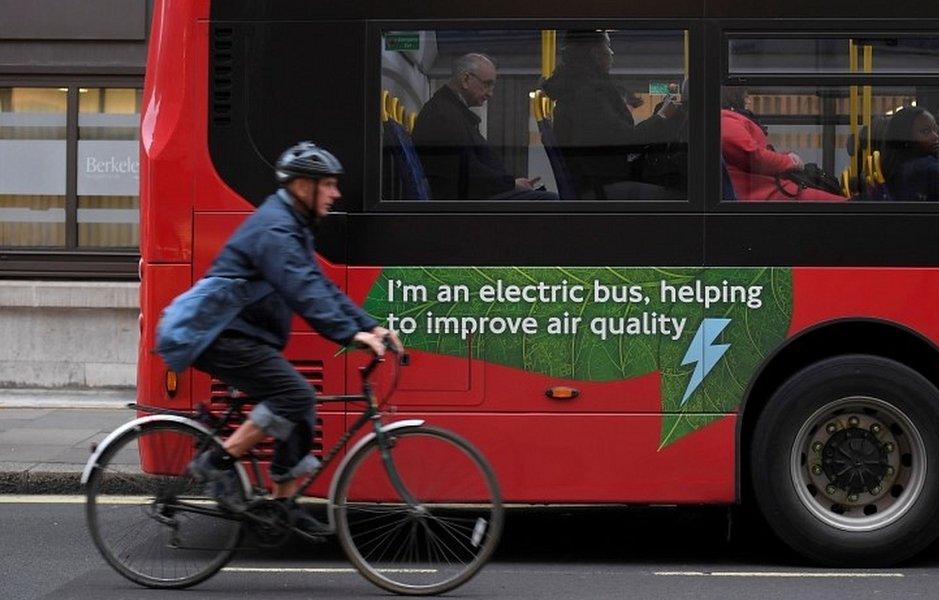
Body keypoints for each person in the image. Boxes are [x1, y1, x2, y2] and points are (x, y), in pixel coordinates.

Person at [187, 141, 402, 540]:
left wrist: (371, 327)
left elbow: (322, 286)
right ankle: (215, 463)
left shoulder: (292, 225)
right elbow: (303, 291)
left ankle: (284, 505)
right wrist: (348, 334)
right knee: (296, 395)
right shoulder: (276, 229)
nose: (336, 194)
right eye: (330, 185)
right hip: (220, 334)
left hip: (246, 334)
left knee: (301, 407)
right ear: (304, 186)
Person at [541, 31, 678, 200]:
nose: (611, 53)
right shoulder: (588, 95)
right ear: (595, 53)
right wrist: (662, 116)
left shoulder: (575, 92)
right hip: (602, 187)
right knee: (683, 198)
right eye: (608, 46)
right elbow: (628, 141)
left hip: (596, 182)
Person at [412, 53, 556, 200]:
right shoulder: (443, 117)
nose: (490, 94)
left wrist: (510, 183)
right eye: (487, 84)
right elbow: (468, 175)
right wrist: (510, 184)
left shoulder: (449, 112)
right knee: (549, 201)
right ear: (466, 79)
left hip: (468, 195)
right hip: (462, 203)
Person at [720, 87, 846, 202]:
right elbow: (752, 156)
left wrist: (785, 157)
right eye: (745, 97)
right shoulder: (726, 120)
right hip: (765, 192)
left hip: (770, 188)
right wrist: (790, 162)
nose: (749, 101)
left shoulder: (731, 120)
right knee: (844, 207)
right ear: (733, 98)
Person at [881, 105, 939, 202]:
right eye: (926, 131)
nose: (935, 136)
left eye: (935, 129)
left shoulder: (900, 166)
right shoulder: (923, 168)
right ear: (905, 138)